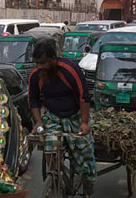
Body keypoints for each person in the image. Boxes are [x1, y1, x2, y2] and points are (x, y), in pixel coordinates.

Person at [28, 40, 96, 198]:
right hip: (53, 118)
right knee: (50, 147)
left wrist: (85, 123)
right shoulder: (35, 76)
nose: (40, 67)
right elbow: (33, 100)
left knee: (85, 156)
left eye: (43, 63)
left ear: (53, 58)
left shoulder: (69, 69)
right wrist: (38, 122)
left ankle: (88, 188)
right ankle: (55, 174)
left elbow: (84, 96)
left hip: (76, 116)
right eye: (37, 63)